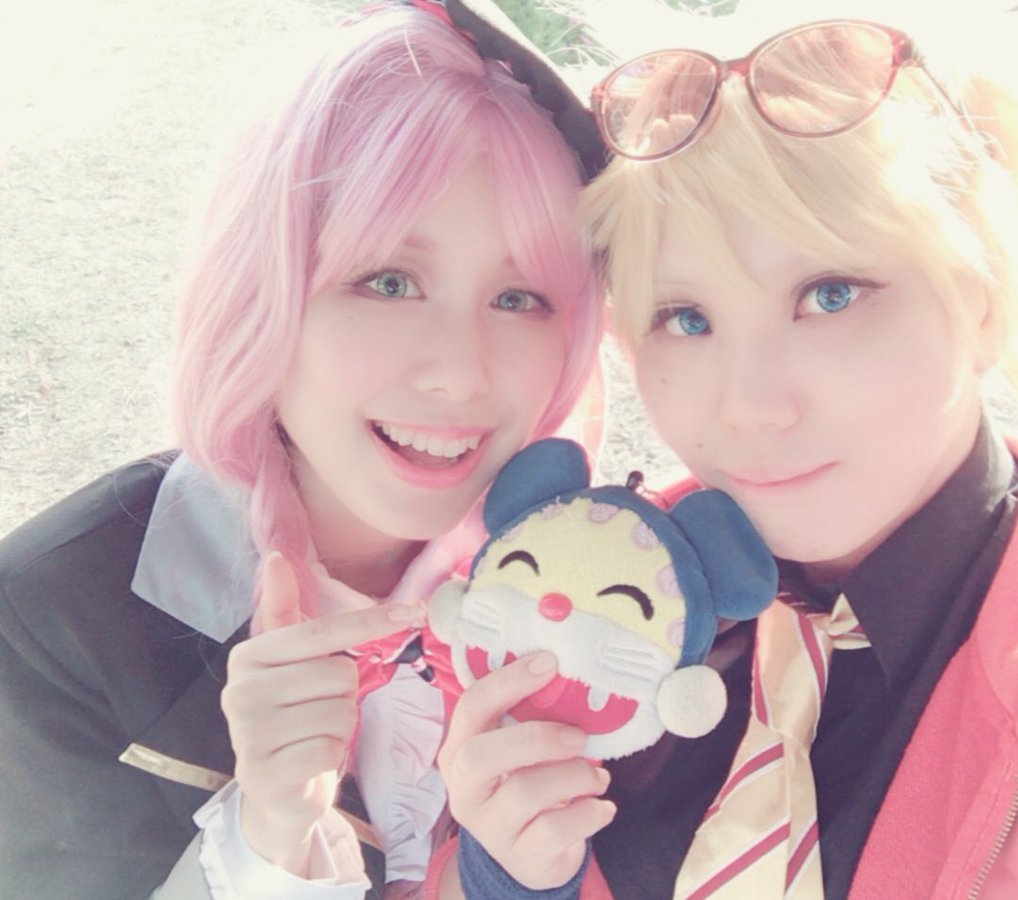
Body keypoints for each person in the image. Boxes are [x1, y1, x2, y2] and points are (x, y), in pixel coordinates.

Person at [431, 0, 1018, 897]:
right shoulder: (579, 591)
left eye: (831, 294)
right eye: (686, 318)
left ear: (985, 294)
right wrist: (509, 875)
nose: (751, 407)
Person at [0, 1, 605, 896]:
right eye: (389, 282)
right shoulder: (49, 627)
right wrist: (269, 845)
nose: (459, 373)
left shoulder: (599, 593)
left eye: (520, 299)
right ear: (262, 290)